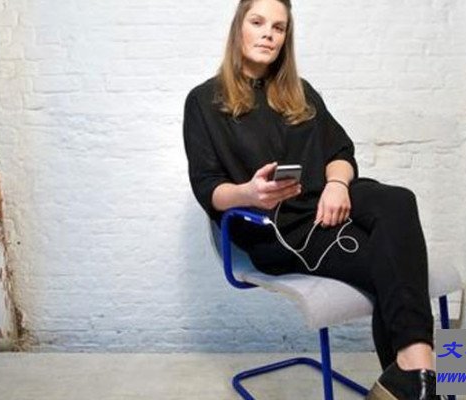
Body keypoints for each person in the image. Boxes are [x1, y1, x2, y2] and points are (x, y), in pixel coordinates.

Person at [183, 1, 442, 399]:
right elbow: (208, 188)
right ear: (239, 28)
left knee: (398, 200)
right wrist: (250, 193)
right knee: (390, 264)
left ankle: (413, 372)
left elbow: (340, 152)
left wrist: (337, 185)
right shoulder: (203, 101)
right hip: (279, 228)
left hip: (330, 203)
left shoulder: (300, 93)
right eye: (258, 22)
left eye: (279, 27)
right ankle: (419, 373)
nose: (268, 33)